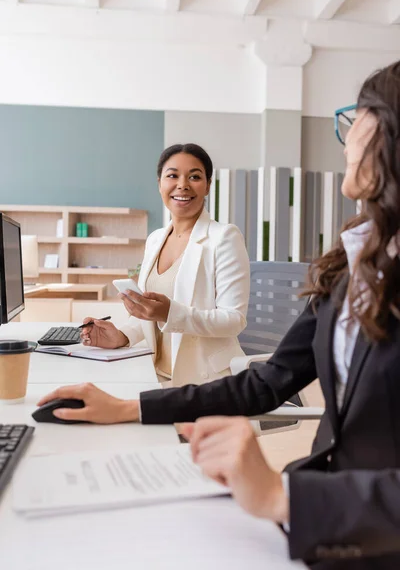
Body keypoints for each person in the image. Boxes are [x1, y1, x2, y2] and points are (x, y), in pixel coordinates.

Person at [38, 62, 400, 568]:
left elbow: (229, 321)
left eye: (357, 116)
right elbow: (267, 380)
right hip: (314, 509)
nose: (344, 137)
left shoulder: (224, 236)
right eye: (171, 175)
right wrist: (126, 399)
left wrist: (282, 496)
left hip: (353, 530)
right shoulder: (349, 266)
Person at [80, 143, 250, 387]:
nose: (183, 184)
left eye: (195, 176)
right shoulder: (155, 239)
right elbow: (147, 314)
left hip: (205, 381)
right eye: (173, 175)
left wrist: (170, 313)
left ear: (208, 185)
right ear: (159, 183)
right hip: (154, 375)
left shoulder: (224, 237)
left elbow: (234, 320)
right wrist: (121, 336)